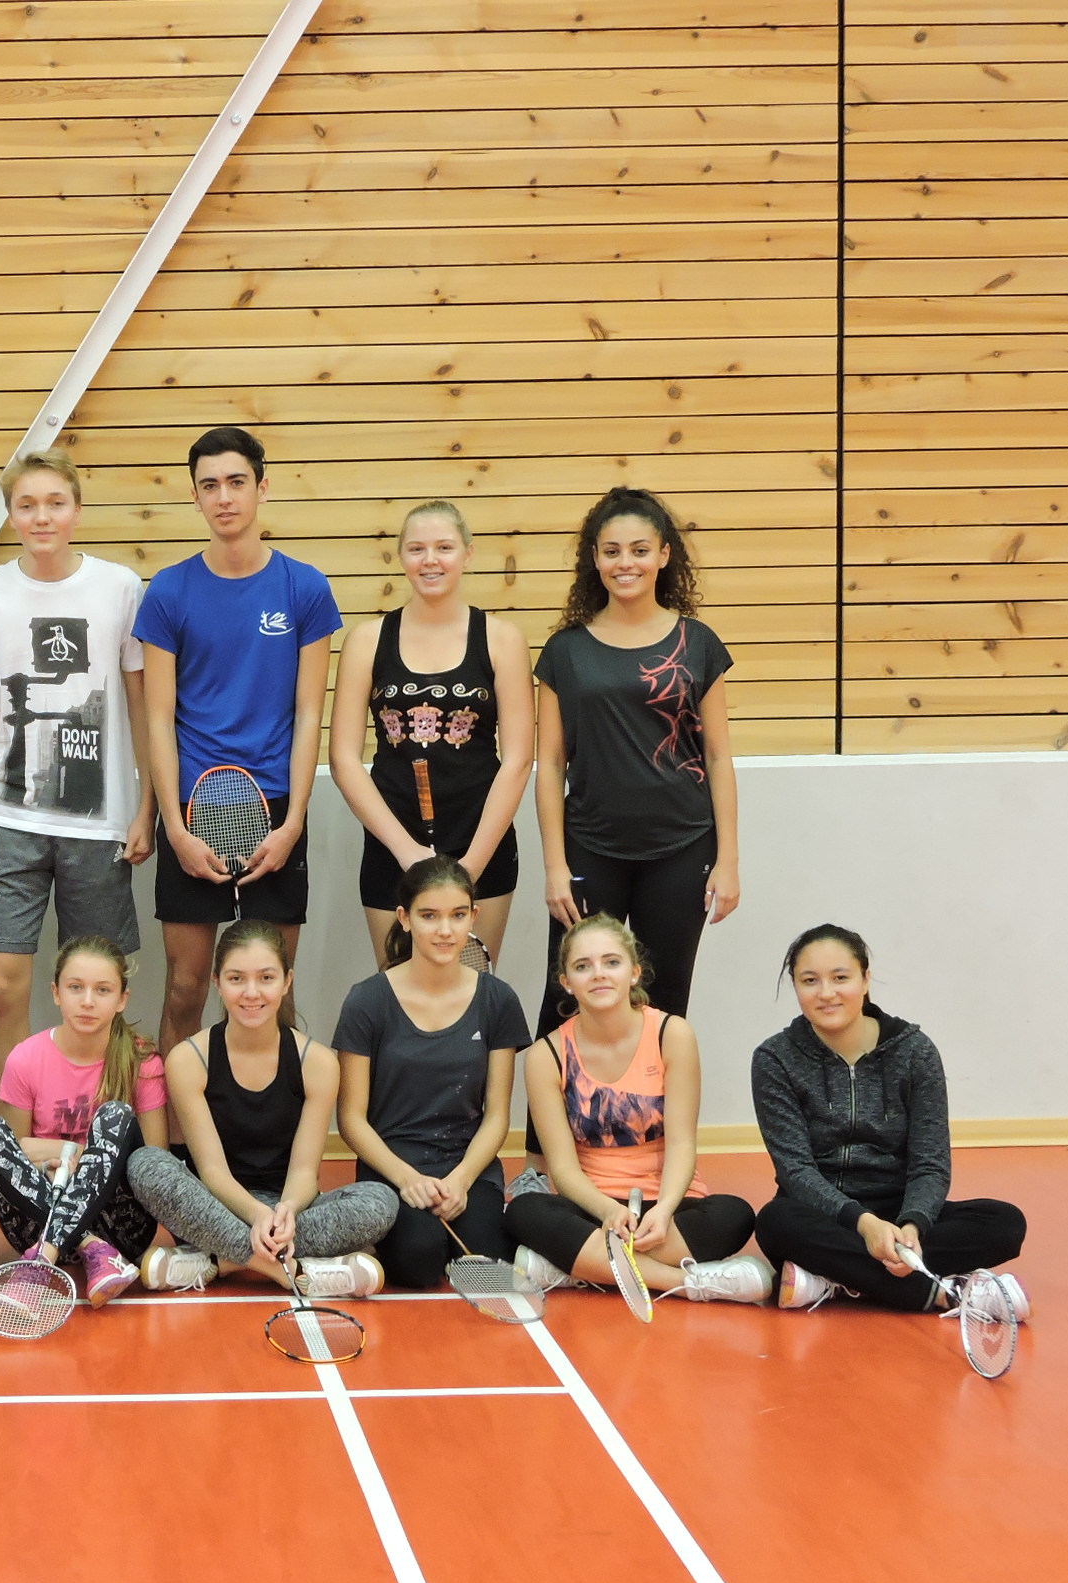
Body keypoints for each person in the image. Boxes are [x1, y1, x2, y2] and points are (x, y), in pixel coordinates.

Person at [520, 486, 740, 1193]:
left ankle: (659, 1165)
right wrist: (555, 865)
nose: (626, 563)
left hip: (682, 848)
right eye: (612, 551)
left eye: (640, 550)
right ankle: (542, 1166)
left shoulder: (698, 644)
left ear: (664, 555)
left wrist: (728, 859)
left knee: (664, 1001)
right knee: (564, 999)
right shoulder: (565, 652)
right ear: (594, 559)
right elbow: (549, 765)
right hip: (591, 848)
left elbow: (719, 758)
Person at [136, 427, 343, 1052]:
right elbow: (158, 720)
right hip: (192, 812)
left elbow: (309, 714)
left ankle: (277, 1117)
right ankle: (174, 1119)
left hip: (275, 812)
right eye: (209, 485)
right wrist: (174, 829)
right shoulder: (168, 591)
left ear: (261, 487)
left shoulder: (304, 588)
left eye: (236, 482)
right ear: (195, 496)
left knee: (271, 994)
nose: (223, 497)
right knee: (184, 990)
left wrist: (293, 823)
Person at [0, 450, 155, 1093]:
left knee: (97, 990)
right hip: (7, 817)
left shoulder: (120, 587)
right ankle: (14, 1136)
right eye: (27, 505)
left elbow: (141, 704)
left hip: (99, 822)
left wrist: (146, 804)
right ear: (11, 515)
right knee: (2, 986)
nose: (41, 517)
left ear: (76, 509)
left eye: (55, 503)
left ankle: (98, 1128)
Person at [752, 925, 1031, 1315]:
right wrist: (864, 1225)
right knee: (774, 1222)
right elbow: (795, 1170)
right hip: (823, 1215)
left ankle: (835, 1279)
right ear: (795, 986)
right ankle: (942, 1293)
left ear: (865, 979)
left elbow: (930, 1162)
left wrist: (913, 1225)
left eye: (840, 978)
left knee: (1004, 1222)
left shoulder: (914, 1052)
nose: (826, 993)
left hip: (898, 1213)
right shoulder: (775, 1059)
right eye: (810, 981)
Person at [506, 915, 768, 1303]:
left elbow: (682, 1144)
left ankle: (578, 1268)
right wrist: (608, 1212)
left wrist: (663, 1210)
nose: (599, 974)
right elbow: (562, 1169)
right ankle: (690, 1283)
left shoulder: (672, 1033)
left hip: (667, 1210)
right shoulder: (546, 1055)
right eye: (583, 966)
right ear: (567, 982)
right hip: (593, 1211)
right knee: (523, 1211)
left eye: (611, 962)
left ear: (634, 973)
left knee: (736, 1214)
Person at [130, 921, 397, 1296]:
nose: (251, 993)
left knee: (381, 1201)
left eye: (266, 978)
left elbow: (304, 1171)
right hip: (215, 1207)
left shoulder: (318, 1063)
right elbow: (212, 1171)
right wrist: (257, 1215)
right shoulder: (188, 1059)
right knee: (146, 1163)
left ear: (287, 982)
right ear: (217, 982)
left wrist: (283, 1212)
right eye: (236, 979)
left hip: (292, 1212)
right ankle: (284, 1268)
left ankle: (219, 1261)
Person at [328, 499, 533, 970]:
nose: (430, 560)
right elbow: (343, 759)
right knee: (399, 992)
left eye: (444, 547)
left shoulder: (502, 640)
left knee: (472, 992)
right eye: (417, 549)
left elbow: (519, 759)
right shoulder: (366, 641)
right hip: (393, 846)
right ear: (401, 556)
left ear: (468, 554)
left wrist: (470, 867)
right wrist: (409, 854)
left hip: (481, 845)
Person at [333, 858, 529, 1287]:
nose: (445, 930)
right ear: (404, 919)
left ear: (474, 916)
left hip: (467, 1165)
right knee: (419, 1262)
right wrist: (407, 1179)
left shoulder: (498, 1000)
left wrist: (461, 1179)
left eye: (457, 915)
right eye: (429, 916)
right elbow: (350, 1119)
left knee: (484, 1261)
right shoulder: (366, 1001)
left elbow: (497, 1115)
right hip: (393, 1167)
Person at [0, 935, 165, 1306]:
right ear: (56, 993)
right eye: (75, 987)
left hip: (121, 1227)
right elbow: (17, 1150)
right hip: (39, 1215)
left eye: (102, 990)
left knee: (115, 1115)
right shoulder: (26, 1058)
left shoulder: (142, 1060)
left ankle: (45, 1258)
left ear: (122, 999)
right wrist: (71, 1153)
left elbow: (153, 1163)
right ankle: (91, 1248)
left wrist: (85, 1161)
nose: (87, 1001)